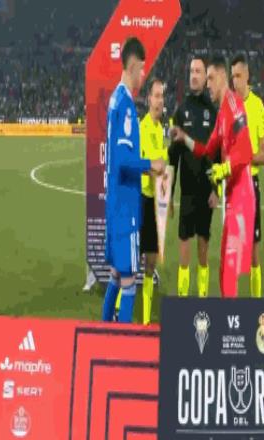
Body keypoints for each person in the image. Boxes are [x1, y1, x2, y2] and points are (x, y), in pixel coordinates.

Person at [172, 54, 255, 298]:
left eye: (209, 78)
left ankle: (232, 320)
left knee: (228, 271)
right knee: (224, 272)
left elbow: (246, 149)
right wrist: (184, 138)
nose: (207, 84)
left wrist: (224, 169)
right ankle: (227, 316)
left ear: (221, 77)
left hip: (241, 197)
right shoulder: (221, 114)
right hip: (232, 197)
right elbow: (206, 150)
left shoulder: (234, 104)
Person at [102, 37, 165, 323]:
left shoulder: (114, 99)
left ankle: (103, 331)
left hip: (115, 202)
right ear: (134, 65)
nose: (143, 75)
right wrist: (150, 164)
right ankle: (120, 341)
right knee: (129, 283)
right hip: (126, 206)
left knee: (116, 276)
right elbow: (123, 159)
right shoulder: (126, 105)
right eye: (142, 69)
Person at [168, 56, 219, 298]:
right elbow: (173, 158)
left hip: (206, 192)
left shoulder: (213, 111)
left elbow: (218, 156)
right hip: (187, 192)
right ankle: (183, 298)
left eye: (198, 71)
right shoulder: (181, 111)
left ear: (205, 77)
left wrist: (216, 190)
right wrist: (169, 196)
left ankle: (202, 297)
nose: (194, 75)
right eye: (191, 71)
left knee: (203, 247)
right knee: (184, 245)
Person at [231, 52, 264, 298]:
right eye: (232, 76)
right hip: (233, 186)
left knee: (253, 253)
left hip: (250, 186)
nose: (235, 81)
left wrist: (244, 157)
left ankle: (256, 305)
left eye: (238, 75)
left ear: (247, 76)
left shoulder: (257, 107)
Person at [139, 78, 167, 325]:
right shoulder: (144, 127)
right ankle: (118, 309)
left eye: (162, 96)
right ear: (149, 99)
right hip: (143, 201)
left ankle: (146, 318)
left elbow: (162, 166)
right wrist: (158, 169)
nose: (159, 100)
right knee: (133, 263)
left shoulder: (159, 129)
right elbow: (148, 167)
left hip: (157, 202)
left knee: (150, 262)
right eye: (156, 95)